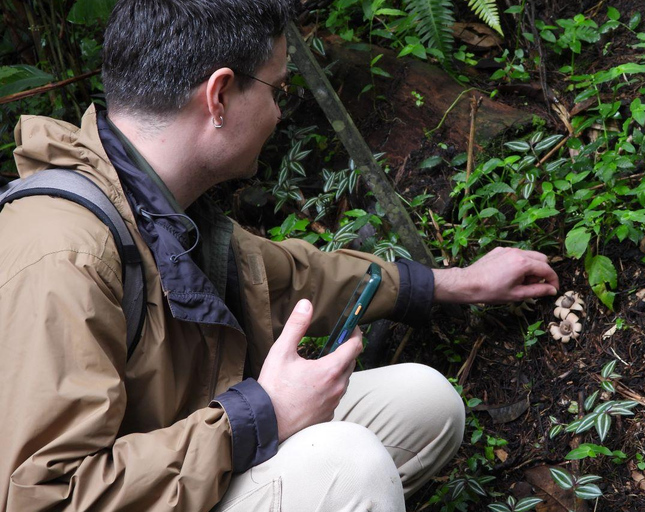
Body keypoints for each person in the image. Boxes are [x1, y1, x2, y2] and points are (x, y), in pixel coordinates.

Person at [0, 0, 560, 510]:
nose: (277, 113)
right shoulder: (64, 254)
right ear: (219, 97)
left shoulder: (155, 203)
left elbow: (292, 277)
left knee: (425, 404)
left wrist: (456, 283)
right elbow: (45, 497)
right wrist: (259, 415)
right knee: (349, 467)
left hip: (181, 461)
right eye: (276, 90)